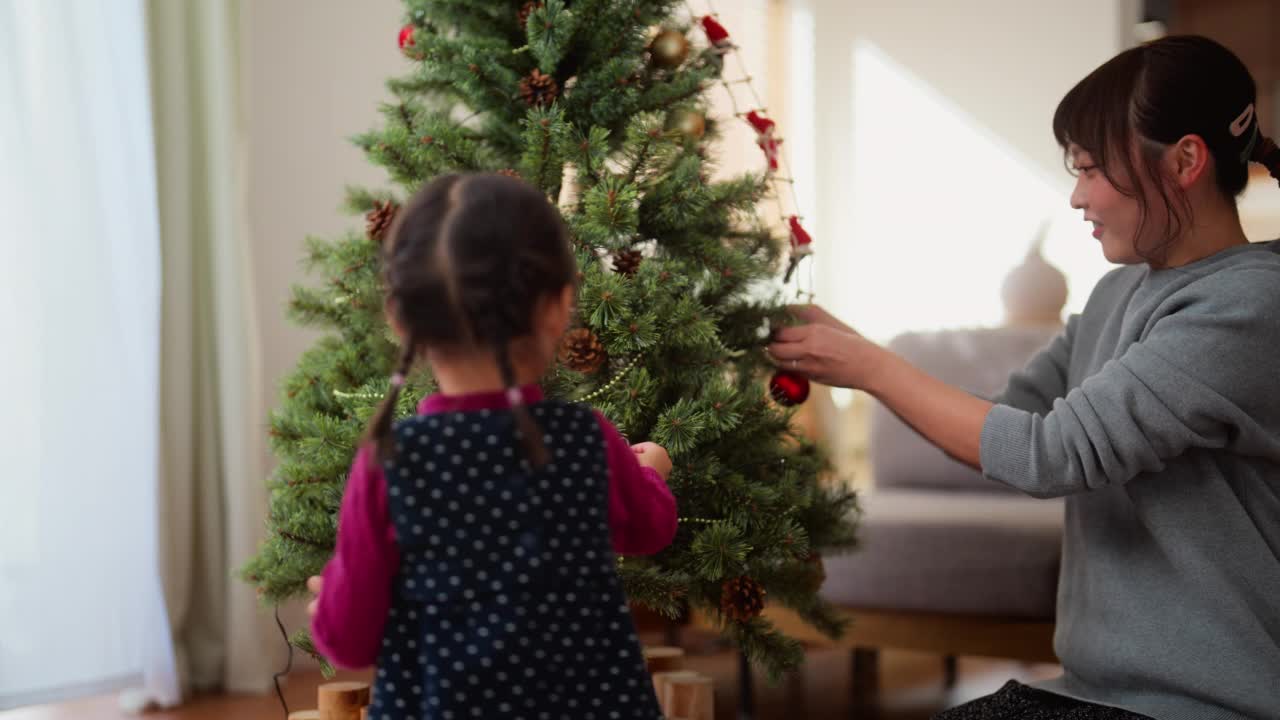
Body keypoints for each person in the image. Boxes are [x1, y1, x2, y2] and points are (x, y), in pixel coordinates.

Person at [769, 35, 1280, 720]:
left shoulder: (1247, 306)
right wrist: (852, 350)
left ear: (1186, 160)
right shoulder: (1114, 296)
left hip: (1204, 705)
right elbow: (1003, 428)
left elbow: (1051, 454)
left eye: (1094, 168)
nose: (1076, 196)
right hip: (1092, 693)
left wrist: (872, 368)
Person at [306, 173, 677, 719]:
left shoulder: (389, 459)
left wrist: (329, 602)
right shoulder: (586, 437)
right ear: (559, 306)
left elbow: (350, 643)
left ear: (400, 318)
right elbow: (650, 529)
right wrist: (652, 472)